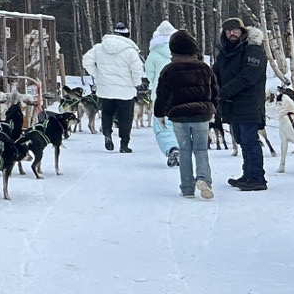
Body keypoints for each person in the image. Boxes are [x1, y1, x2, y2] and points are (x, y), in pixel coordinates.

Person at [152, 28, 217, 199]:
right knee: (201, 149)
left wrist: (160, 114)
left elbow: (163, 95)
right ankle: (204, 180)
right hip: (202, 115)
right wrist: (213, 109)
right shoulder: (204, 68)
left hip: (179, 116)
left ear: (173, 49)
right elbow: (214, 91)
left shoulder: (169, 70)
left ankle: (187, 187)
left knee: (184, 150)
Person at [215, 17, 270, 190]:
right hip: (232, 105)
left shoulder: (253, 51)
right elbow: (215, 73)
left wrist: (221, 93)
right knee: (241, 140)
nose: (232, 33)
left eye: (235, 30)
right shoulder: (225, 53)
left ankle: (257, 178)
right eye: (228, 30)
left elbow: (248, 77)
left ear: (242, 31)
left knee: (250, 140)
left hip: (250, 104)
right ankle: (247, 174)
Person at [82, 22, 145, 153]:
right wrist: (136, 82)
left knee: (107, 112)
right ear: (127, 36)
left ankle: (107, 134)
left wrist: (97, 75)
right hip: (126, 90)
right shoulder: (130, 51)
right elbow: (137, 69)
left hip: (106, 89)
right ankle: (124, 144)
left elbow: (86, 60)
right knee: (125, 117)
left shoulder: (99, 47)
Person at [144, 20, 179, 166]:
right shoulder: (180, 51)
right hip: (181, 93)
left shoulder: (154, 52)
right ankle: (182, 148)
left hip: (161, 94)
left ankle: (171, 149)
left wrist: (155, 83)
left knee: (162, 125)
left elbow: (149, 72)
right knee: (180, 123)